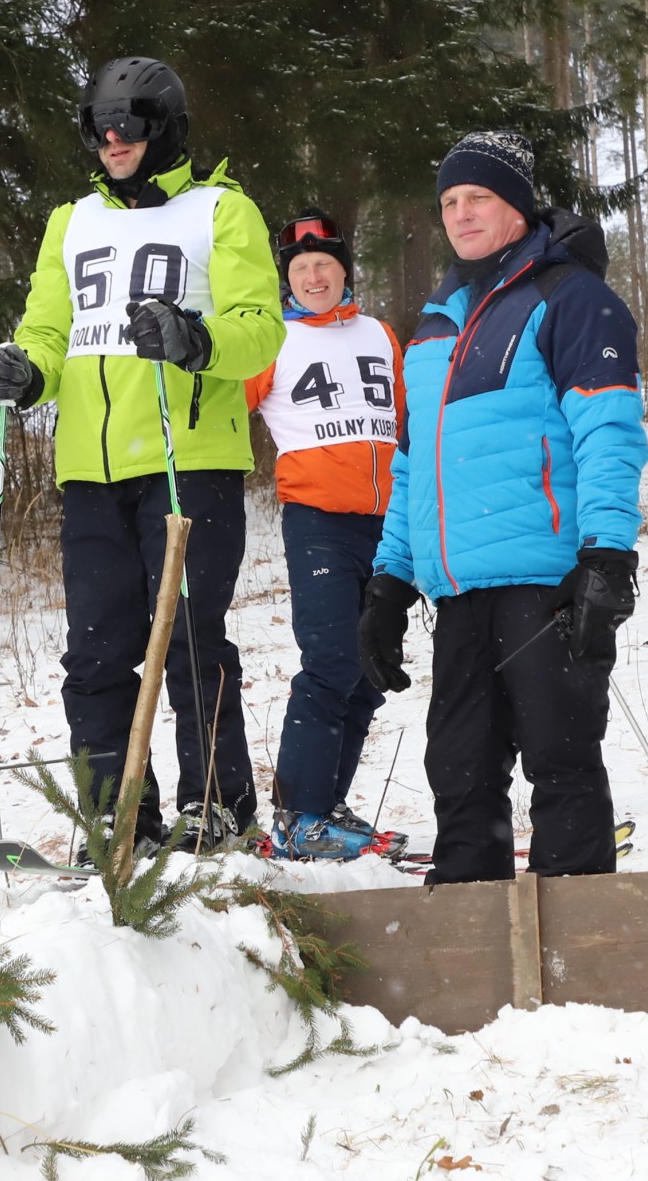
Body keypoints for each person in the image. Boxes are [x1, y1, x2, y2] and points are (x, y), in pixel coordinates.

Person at [0, 56, 284, 853]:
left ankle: (216, 805)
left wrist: (195, 337)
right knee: (96, 652)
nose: (112, 141)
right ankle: (118, 818)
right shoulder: (71, 221)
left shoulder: (221, 211)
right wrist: (26, 368)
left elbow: (261, 328)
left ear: (166, 128)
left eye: (129, 126)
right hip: (92, 468)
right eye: (98, 128)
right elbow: (50, 329)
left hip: (189, 460)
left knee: (188, 639)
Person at [358, 131, 648, 884]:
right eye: (449, 201)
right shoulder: (434, 325)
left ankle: (578, 925)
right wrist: (389, 580)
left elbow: (608, 430)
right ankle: (469, 920)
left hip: (545, 581)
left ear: (517, 206)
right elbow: (414, 463)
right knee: (460, 771)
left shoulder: (570, 297)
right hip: (460, 591)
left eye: (478, 197)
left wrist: (608, 553)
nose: (461, 213)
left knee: (561, 757)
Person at [246, 209, 407, 860]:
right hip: (318, 519)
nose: (314, 277)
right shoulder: (270, 340)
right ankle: (297, 816)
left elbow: (407, 418)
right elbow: (220, 405)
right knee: (333, 660)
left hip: (388, 524)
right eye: (301, 268)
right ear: (287, 279)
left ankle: (328, 810)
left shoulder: (380, 333)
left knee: (369, 670)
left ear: (345, 271)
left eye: (325, 265)